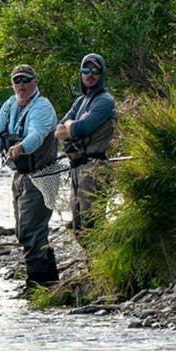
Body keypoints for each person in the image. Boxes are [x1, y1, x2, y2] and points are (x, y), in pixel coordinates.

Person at [0, 64, 59, 289]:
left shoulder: (42, 107)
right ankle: (50, 283)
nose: (21, 85)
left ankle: (36, 284)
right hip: (21, 176)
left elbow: (36, 134)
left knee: (30, 231)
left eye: (26, 80)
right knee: (24, 231)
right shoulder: (10, 104)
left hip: (43, 175)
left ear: (35, 82)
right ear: (12, 84)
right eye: (17, 80)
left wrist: (20, 148)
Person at [55, 53, 117, 231]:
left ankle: (102, 258)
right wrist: (69, 125)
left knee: (92, 224)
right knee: (78, 227)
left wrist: (71, 126)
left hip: (95, 168)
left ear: (102, 73)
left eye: (95, 70)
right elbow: (58, 131)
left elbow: (81, 128)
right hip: (76, 168)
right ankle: (93, 258)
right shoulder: (80, 101)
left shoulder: (105, 101)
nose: (90, 74)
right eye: (86, 70)